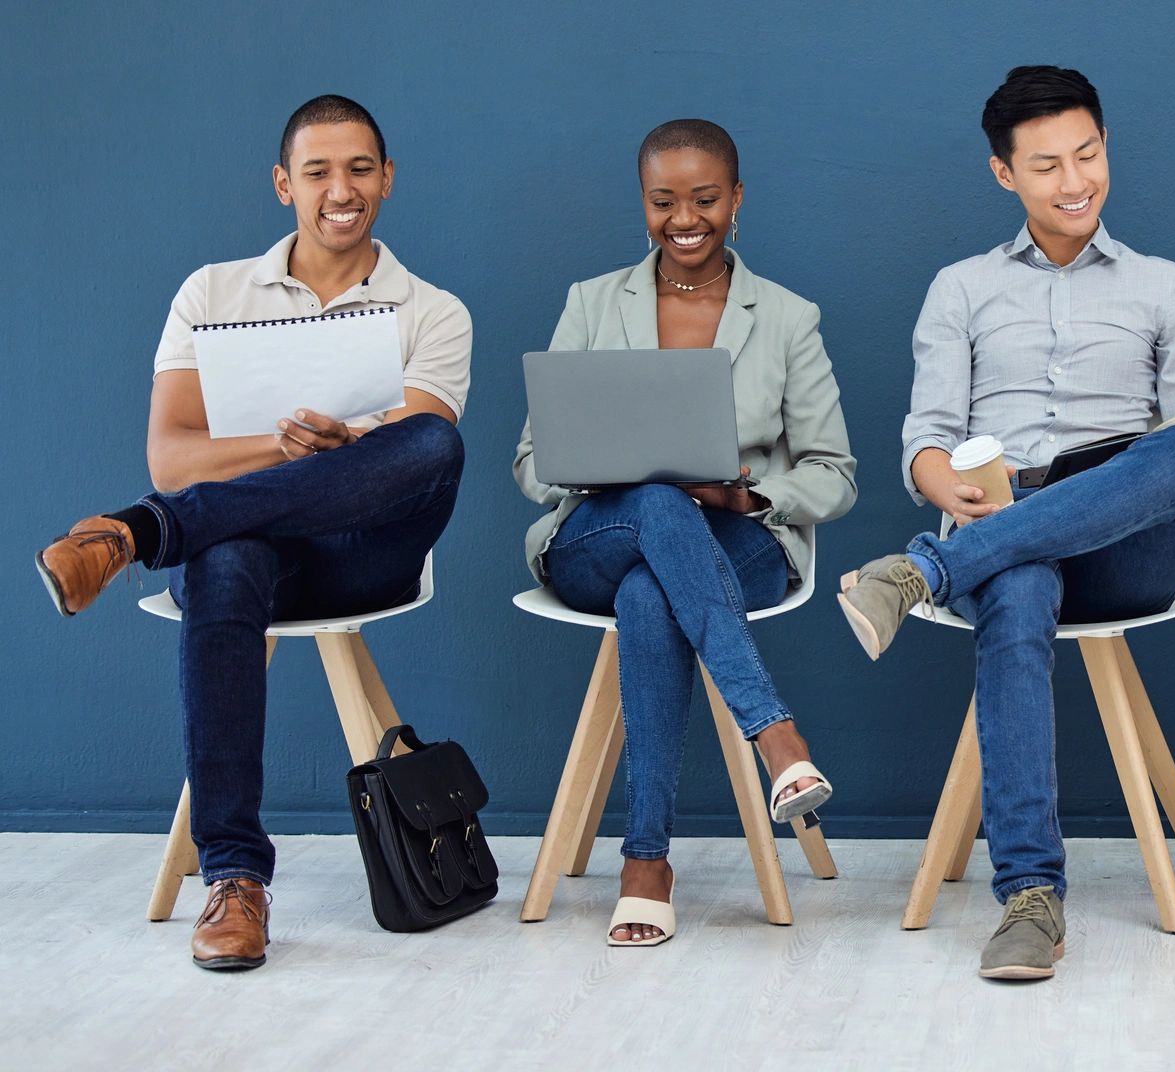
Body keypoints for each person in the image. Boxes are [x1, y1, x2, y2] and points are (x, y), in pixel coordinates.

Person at [33, 95, 471, 971]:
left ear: (386, 180)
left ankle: (136, 538)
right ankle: (234, 879)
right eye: (317, 172)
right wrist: (278, 444)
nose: (339, 190)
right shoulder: (212, 292)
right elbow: (170, 454)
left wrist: (343, 450)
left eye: (358, 169)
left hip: (365, 555)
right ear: (283, 185)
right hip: (249, 554)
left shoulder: (434, 310)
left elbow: (412, 449)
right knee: (229, 557)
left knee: (430, 442)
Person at [836, 66, 1175, 981]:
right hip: (1004, 524)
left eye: (1088, 155)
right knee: (1013, 578)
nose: (1075, 181)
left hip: (1133, 545)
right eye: (1047, 165)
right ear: (1004, 175)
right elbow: (926, 440)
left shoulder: (1167, 286)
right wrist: (947, 482)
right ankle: (1030, 901)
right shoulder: (960, 289)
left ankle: (922, 570)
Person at [513, 119, 856, 948]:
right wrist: (592, 471)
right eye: (663, 201)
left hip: (738, 540)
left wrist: (748, 498)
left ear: (736, 200)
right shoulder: (592, 303)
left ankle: (646, 862)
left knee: (650, 591)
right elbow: (529, 463)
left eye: (704, 199)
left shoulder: (785, 317)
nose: (684, 218)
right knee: (659, 506)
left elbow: (834, 474)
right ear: (644, 204)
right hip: (600, 531)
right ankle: (777, 736)